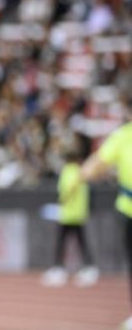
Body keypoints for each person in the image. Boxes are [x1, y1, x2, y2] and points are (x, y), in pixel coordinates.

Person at [78, 119, 132, 329]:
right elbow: (95, 166)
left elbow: (92, 169)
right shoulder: (123, 136)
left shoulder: (123, 135)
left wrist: (87, 172)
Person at [41, 153, 98, 287]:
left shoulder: (68, 172)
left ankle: (58, 269)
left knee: (62, 243)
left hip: (68, 214)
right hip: (78, 213)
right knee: (81, 242)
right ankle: (89, 267)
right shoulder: (80, 171)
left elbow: (69, 187)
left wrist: (63, 199)